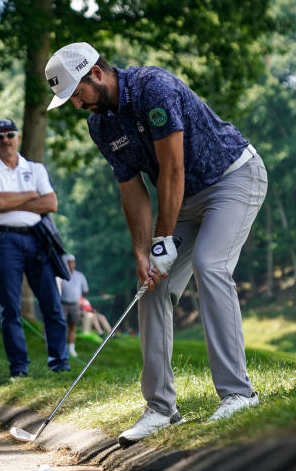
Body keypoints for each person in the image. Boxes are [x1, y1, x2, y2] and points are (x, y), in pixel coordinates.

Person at [45, 41, 268, 446]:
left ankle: (239, 393)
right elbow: (133, 190)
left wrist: (164, 239)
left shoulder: (153, 88)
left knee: (209, 264)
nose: (77, 104)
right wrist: (142, 252)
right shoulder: (100, 124)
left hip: (232, 178)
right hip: (182, 200)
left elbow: (173, 168)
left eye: (77, 93)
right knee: (151, 285)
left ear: (96, 73)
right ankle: (161, 409)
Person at [0, 119, 68, 378]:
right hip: (2, 241)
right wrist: (31, 195)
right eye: (0, 136)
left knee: (51, 302)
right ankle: (19, 367)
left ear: (18, 138)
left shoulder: (35, 168)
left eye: (10, 135)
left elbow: (51, 203)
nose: (5, 140)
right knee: (10, 307)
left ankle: (59, 361)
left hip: (37, 238)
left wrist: (15, 199)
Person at [58, 254, 88, 358]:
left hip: (75, 304)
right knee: (61, 326)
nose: (71, 264)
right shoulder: (60, 275)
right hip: (62, 303)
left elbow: (85, 290)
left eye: (72, 262)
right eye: (69, 262)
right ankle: (60, 348)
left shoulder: (80, 275)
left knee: (72, 327)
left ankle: (71, 349)